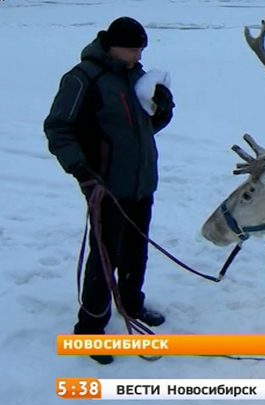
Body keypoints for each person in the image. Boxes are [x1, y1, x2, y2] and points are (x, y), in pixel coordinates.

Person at [44, 16, 175, 365]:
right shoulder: (84, 78)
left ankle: (131, 304)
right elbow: (58, 127)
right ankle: (89, 329)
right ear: (111, 44)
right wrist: (81, 169)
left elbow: (145, 128)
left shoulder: (136, 77)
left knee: (135, 249)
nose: (137, 54)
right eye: (131, 48)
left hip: (141, 182)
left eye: (140, 49)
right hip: (104, 184)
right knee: (104, 256)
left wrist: (164, 107)